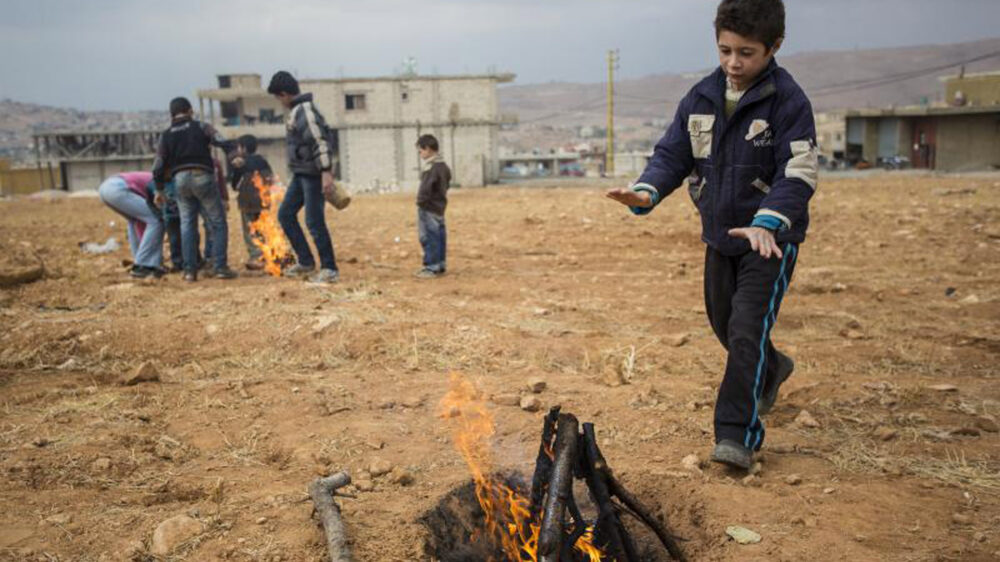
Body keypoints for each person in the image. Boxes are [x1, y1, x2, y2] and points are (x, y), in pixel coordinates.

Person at [606, 0, 817, 471]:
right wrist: (646, 192)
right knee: (725, 323)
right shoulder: (700, 97)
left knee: (745, 331)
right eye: (725, 50)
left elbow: (798, 173)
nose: (733, 63)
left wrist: (768, 221)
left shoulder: (789, 101)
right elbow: (672, 155)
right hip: (720, 237)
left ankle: (736, 436)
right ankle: (773, 367)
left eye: (747, 52)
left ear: (774, 46)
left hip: (768, 242)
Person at [152, 97, 238, 282]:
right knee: (217, 222)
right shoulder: (201, 127)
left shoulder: (165, 135)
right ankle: (220, 267)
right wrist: (233, 155)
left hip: (180, 181)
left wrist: (159, 190)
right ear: (190, 111)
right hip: (202, 176)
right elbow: (221, 140)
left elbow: (158, 165)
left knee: (187, 225)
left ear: (172, 115)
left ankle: (189, 271)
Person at [266, 71, 341, 284]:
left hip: (313, 174)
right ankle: (306, 262)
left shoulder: (305, 111)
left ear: (284, 94)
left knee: (314, 221)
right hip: (301, 173)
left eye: (278, 97)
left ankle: (329, 268)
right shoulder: (297, 111)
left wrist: (326, 172)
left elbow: (320, 142)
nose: (279, 102)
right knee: (286, 214)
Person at [97, 171, 164, 279]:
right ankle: (144, 265)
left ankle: (139, 260)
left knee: (136, 220)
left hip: (105, 188)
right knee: (156, 219)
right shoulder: (161, 182)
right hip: (119, 188)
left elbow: (143, 225)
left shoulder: (151, 176)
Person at [228, 135, 274, 270]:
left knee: (250, 231)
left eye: (239, 147)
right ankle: (268, 254)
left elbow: (235, 184)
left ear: (243, 148)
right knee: (263, 228)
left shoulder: (241, 163)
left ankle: (256, 256)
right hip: (263, 201)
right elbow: (270, 178)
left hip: (247, 202)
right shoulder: (263, 161)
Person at [414, 134, 451, 278]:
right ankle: (440, 263)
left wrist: (420, 203)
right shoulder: (444, 166)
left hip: (428, 208)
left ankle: (431, 266)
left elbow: (425, 189)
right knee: (440, 236)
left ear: (428, 149)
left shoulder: (431, 168)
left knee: (429, 237)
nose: (420, 154)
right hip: (440, 206)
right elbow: (446, 184)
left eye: (420, 151)